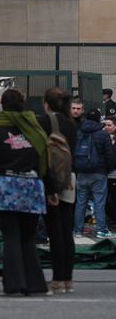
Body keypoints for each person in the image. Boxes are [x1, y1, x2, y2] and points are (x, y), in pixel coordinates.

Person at [0, 89, 50, 296]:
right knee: (28, 238)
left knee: (10, 236)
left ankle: (13, 285)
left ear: (3, 105)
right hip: (31, 187)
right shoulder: (35, 128)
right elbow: (45, 158)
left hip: (3, 188)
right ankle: (36, 284)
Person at [36, 88, 77, 294]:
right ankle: (68, 278)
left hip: (52, 179)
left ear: (46, 103)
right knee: (66, 229)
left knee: (55, 230)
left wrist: (49, 187)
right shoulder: (71, 123)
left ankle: (57, 279)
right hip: (70, 178)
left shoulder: (45, 122)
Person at [73, 108, 116, 239]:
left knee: (80, 202)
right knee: (99, 202)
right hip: (99, 173)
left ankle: (78, 230)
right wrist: (106, 169)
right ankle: (101, 229)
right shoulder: (102, 134)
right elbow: (110, 156)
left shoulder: (79, 132)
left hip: (81, 172)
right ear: (99, 119)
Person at [104, 117, 116, 226]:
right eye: (105, 125)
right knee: (107, 201)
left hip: (113, 174)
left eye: (109, 125)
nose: (106, 127)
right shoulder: (103, 138)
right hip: (106, 174)